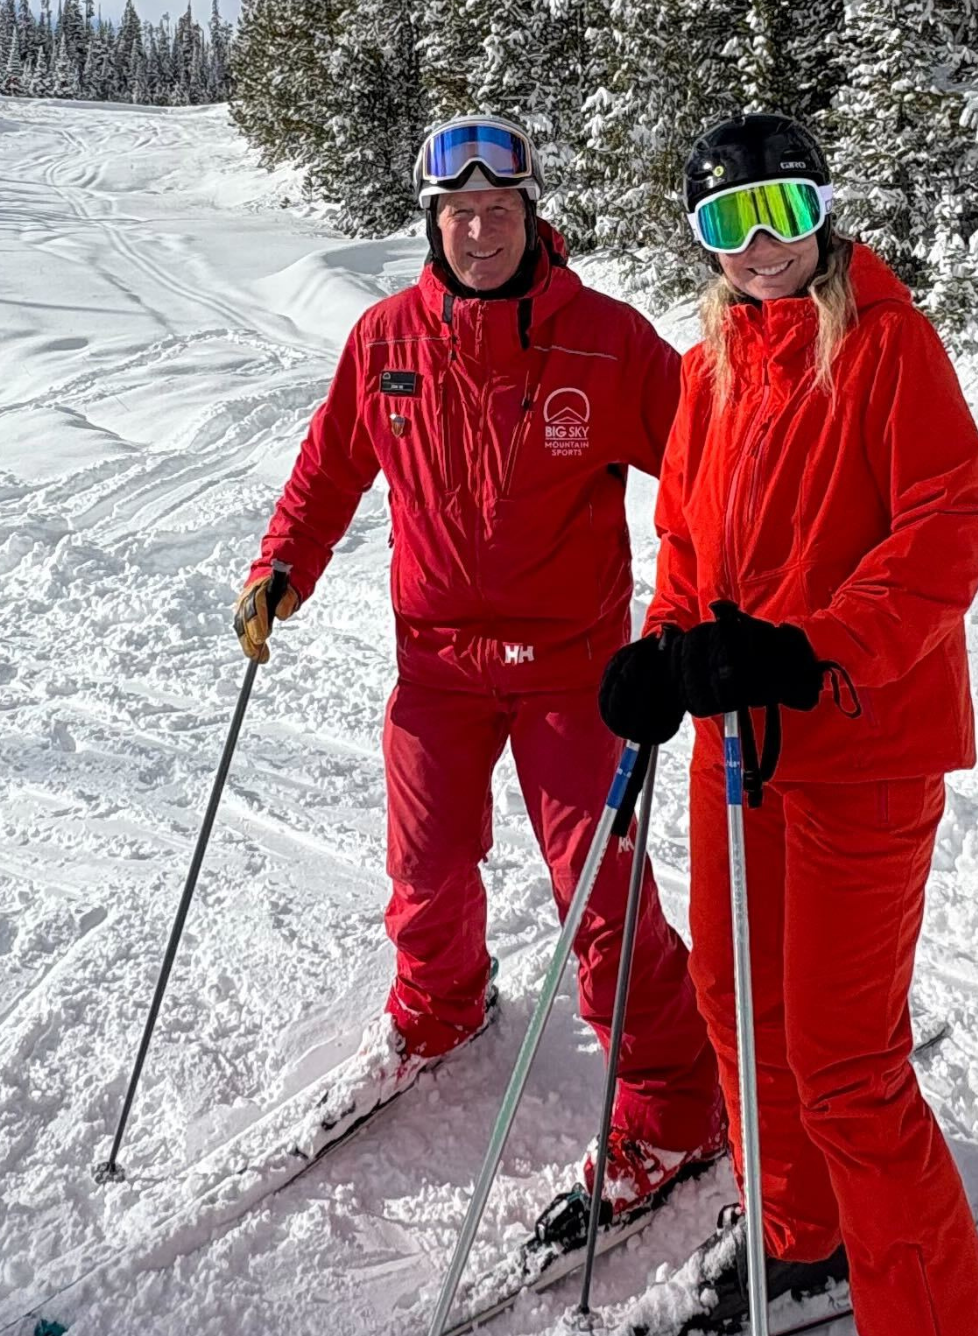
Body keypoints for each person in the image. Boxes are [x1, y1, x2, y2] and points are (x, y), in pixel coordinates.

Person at [236, 115, 725, 1223]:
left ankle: (674, 1094)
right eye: (459, 212)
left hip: (572, 671)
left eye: (500, 211)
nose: (480, 229)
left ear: (532, 215)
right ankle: (443, 1003)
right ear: (434, 220)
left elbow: (705, 462)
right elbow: (329, 470)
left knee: (596, 892)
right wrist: (281, 569)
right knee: (424, 864)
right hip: (437, 670)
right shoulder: (385, 341)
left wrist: (717, 603)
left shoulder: (605, 342)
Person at [597, 113, 978, 1336]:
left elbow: (950, 527)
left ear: (821, 208)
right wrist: (667, 651)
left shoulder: (888, 346)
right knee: (737, 1008)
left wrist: (809, 648)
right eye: (728, 222)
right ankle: (799, 1247)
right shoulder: (710, 362)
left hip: (862, 749)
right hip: (740, 755)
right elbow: (685, 541)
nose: (760, 244)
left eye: (780, 210)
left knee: (847, 1073)